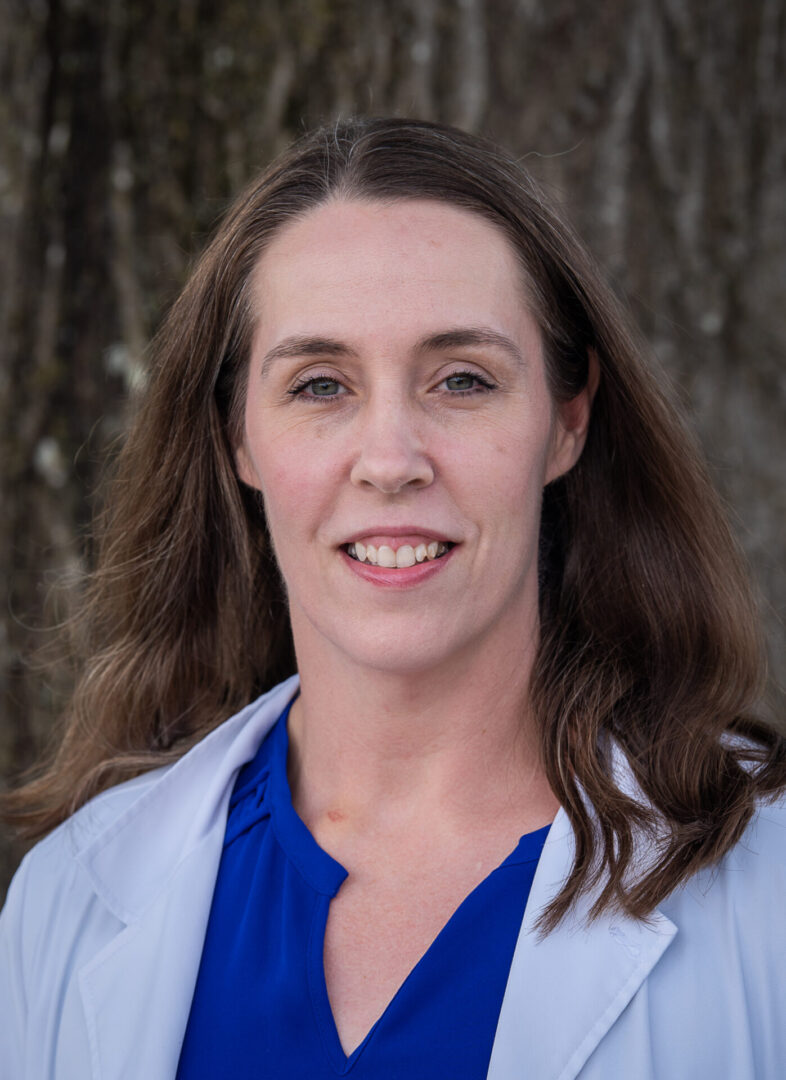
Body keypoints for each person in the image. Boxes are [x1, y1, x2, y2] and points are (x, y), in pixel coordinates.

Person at [1, 117, 784, 1079]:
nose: (390, 462)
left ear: (566, 424)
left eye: (462, 380)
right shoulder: (68, 900)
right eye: (321, 385)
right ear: (239, 438)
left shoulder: (765, 885)